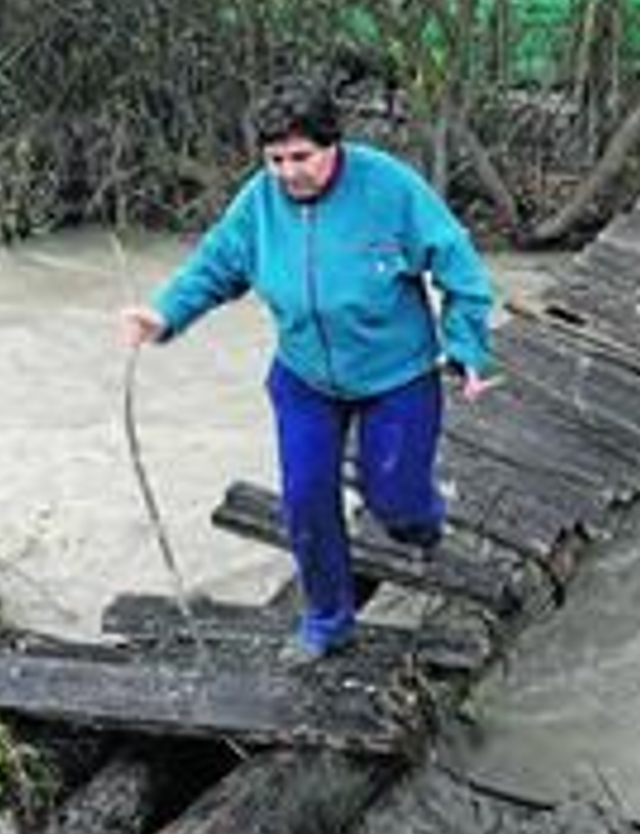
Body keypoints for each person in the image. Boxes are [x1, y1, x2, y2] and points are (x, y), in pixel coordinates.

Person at [119, 76, 498, 664]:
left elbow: (459, 266)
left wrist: (467, 347)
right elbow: (216, 265)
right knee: (306, 498)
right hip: (305, 379)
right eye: (276, 159)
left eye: (302, 157)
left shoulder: (390, 189)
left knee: (395, 504)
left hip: (396, 374)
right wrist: (163, 314)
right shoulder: (260, 202)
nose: (290, 172)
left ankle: (422, 520)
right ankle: (328, 620)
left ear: (333, 146)